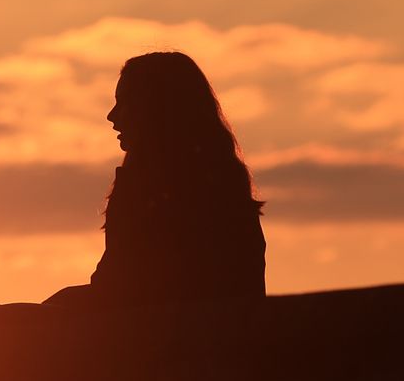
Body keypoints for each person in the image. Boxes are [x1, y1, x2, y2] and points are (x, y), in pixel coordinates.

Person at [71, 50, 265, 305]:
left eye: (124, 102)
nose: (112, 116)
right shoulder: (221, 187)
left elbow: (120, 290)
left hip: (171, 328)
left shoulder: (161, 194)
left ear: (157, 109)